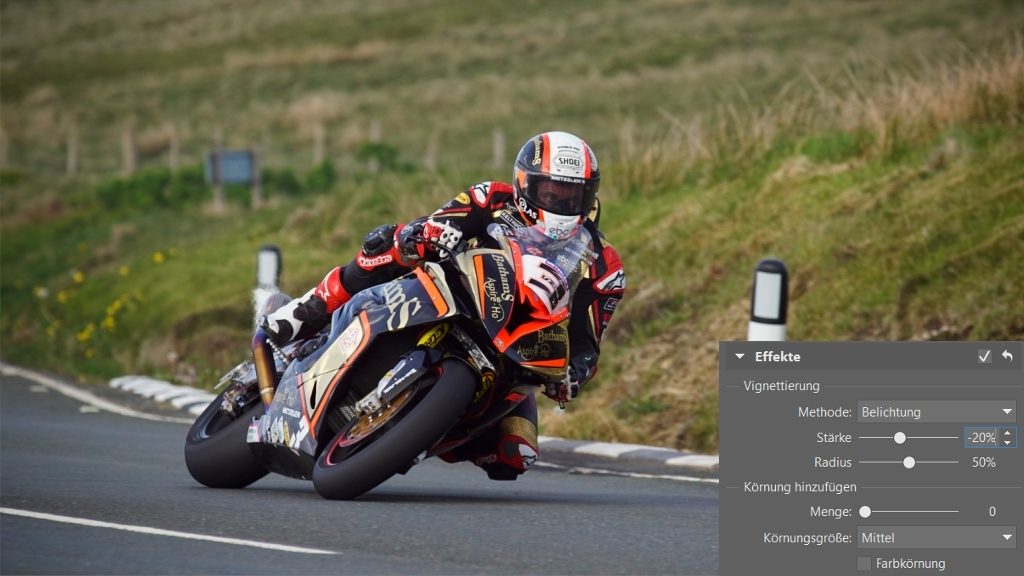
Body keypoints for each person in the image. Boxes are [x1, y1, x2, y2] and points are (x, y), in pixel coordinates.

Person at [261, 131, 626, 480]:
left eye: (571, 194)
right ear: (525, 182)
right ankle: (306, 312)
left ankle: (419, 435)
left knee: (515, 457)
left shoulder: (604, 266)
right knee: (386, 247)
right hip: (453, 291)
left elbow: (587, 341)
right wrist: (431, 234)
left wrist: (573, 376)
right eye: (551, 191)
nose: (561, 202)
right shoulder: (492, 198)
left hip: (513, 342)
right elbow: (444, 220)